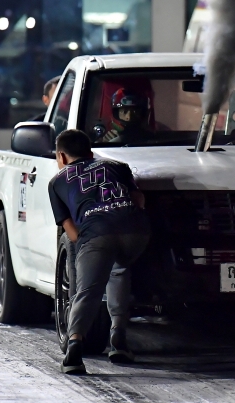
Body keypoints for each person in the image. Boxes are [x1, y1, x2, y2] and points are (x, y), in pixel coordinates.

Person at [48, 129, 151, 373]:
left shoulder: (57, 181)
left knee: (88, 290)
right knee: (120, 268)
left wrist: (88, 246)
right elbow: (139, 199)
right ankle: (118, 339)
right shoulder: (117, 166)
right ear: (90, 152)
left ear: (61, 156)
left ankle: (74, 348)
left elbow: (70, 231)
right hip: (136, 231)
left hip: (97, 234)